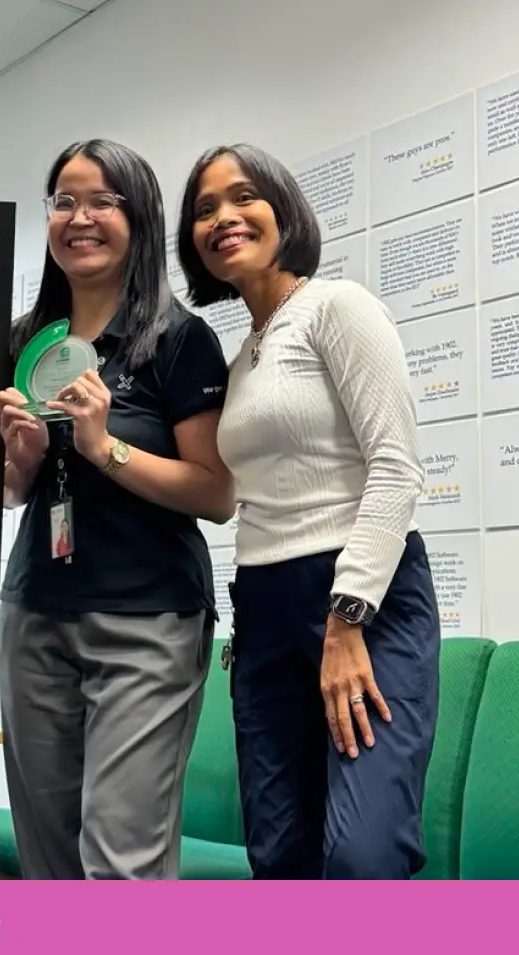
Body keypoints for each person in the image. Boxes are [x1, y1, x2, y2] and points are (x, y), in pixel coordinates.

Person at [175, 143, 440, 880]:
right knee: (280, 852)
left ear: (283, 209)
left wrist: (346, 618)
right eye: (204, 209)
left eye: (243, 196)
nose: (224, 217)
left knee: (363, 852)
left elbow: (397, 466)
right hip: (262, 608)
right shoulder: (244, 356)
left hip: (360, 602)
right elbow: (229, 498)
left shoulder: (338, 308)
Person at [0, 137, 234, 880]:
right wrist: (24, 459)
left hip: (147, 620)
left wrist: (104, 447)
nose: (80, 216)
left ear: (141, 219)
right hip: (36, 608)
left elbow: (217, 492)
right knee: (48, 858)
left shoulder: (179, 339)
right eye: (65, 200)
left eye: (103, 200)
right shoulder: (25, 342)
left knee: (119, 863)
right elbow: (7, 492)